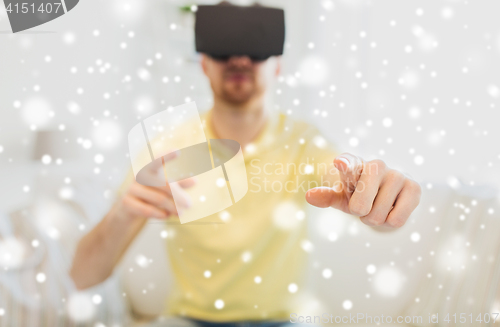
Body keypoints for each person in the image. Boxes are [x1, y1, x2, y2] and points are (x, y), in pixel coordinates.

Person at [69, 3, 422, 327]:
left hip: (282, 320)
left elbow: (348, 185)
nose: (239, 60)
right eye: (223, 51)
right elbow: (82, 277)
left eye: (255, 50)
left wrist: (379, 200)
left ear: (278, 66)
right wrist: (122, 215)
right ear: (204, 64)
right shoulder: (168, 149)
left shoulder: (304, 142)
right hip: (188, 319)